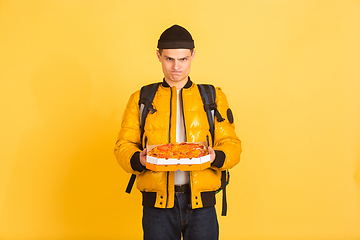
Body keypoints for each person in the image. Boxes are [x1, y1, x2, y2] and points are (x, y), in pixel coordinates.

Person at [114, 24, 242, 240]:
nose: (176, 67)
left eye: (183, 59)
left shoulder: (213, 97)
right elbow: (123, 146)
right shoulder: (141, 98)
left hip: (202, 204)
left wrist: (215, 156)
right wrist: (139, 160)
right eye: (169, 59)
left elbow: (232, 145)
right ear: (159, 56)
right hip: (157, 207)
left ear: (193, 55)